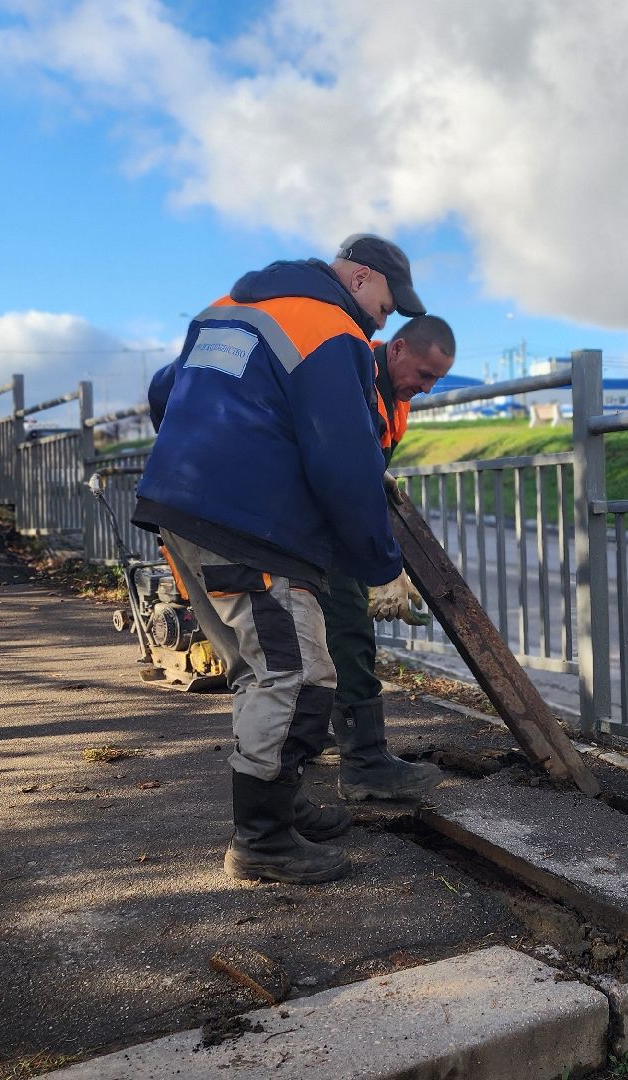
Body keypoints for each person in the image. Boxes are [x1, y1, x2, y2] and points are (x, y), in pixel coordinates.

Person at [132, 234, 424, 885]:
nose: (386, 317)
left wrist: (221, 450)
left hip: (183, 510)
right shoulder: (329, 327)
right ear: (358, 276)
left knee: (267, 669)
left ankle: (280, 807)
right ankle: (260, 840)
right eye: (387, 300)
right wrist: (380, 567)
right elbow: (343, 460)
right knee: (291, 675)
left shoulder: (224, 308)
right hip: (250, 526)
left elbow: (163, 394)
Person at [316, 315, 456, 801]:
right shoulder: (352, 376)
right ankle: (364, 763)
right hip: (314, 521)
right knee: (349, 625)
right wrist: (382, 564)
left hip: (330, 516)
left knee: (311, 634)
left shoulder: (393, 397)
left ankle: (309, 740)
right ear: (396, 350)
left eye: (436, 380)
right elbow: (344, 478)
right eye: (424, 374)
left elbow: (366, 473)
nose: (428, 387)